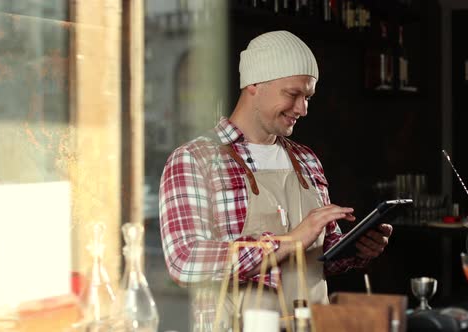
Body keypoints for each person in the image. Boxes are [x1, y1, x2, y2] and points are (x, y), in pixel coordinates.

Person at [159, 30, 393, 328]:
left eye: (307, 97)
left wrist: (356, 249)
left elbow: (319, 258)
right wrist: (289, 242)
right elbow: (185, 260)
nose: (302, 109)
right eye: (292, 94)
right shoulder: (195, 159)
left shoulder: (306, 160)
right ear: (254, 84)